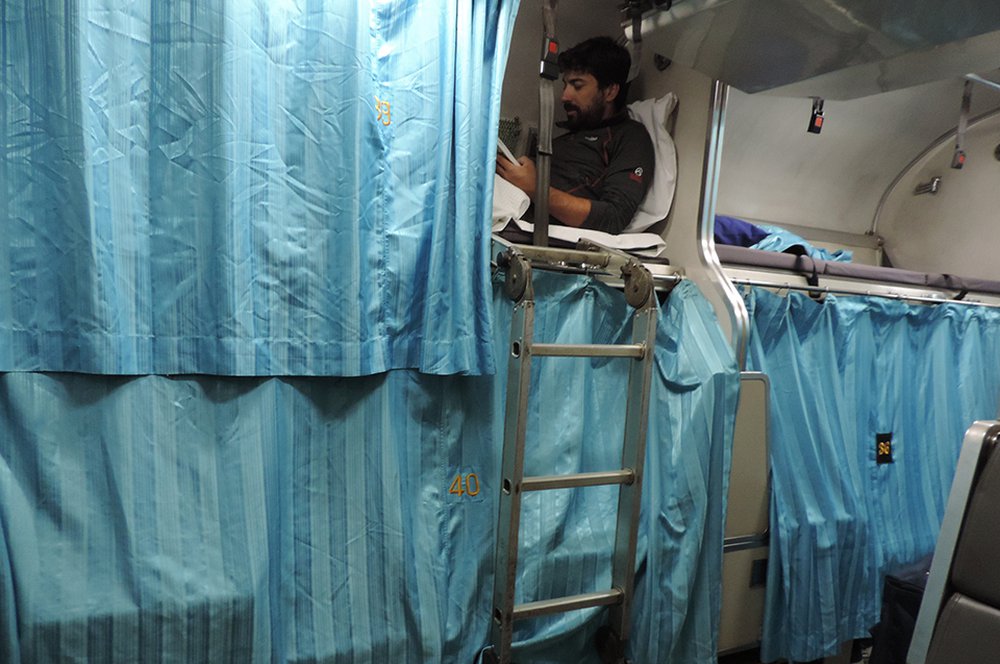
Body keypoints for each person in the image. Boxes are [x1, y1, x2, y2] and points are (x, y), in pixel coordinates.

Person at [495, 36, 655, 235]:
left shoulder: (630, 138)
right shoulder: (567, 140)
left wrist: (536, 188)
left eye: (577, 85)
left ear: (610, 92)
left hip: (520, 220)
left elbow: (614, 217)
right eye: (565, 85)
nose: (565, 96)